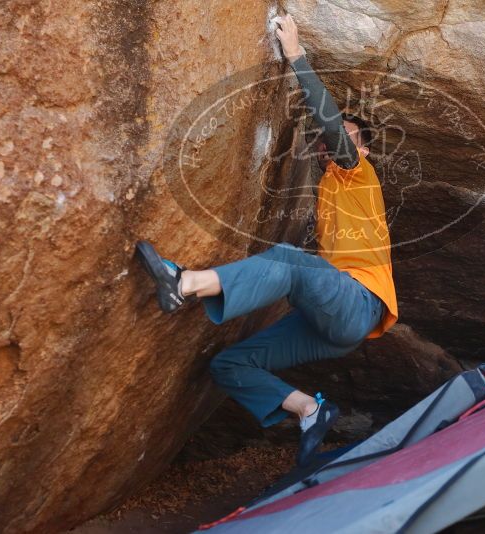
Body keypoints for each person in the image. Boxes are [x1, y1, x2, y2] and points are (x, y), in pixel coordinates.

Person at [135, 15, 397, 465]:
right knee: (229, 365)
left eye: (349, 140)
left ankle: (185, 286)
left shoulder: (360, 176)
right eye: (322, 142)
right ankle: (310, 410)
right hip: (333, 327)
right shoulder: (329, 188)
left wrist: (295, 54)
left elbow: (331, 125)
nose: (327, 144)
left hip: (361, 302)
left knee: (291, 261)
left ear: (366, 151)